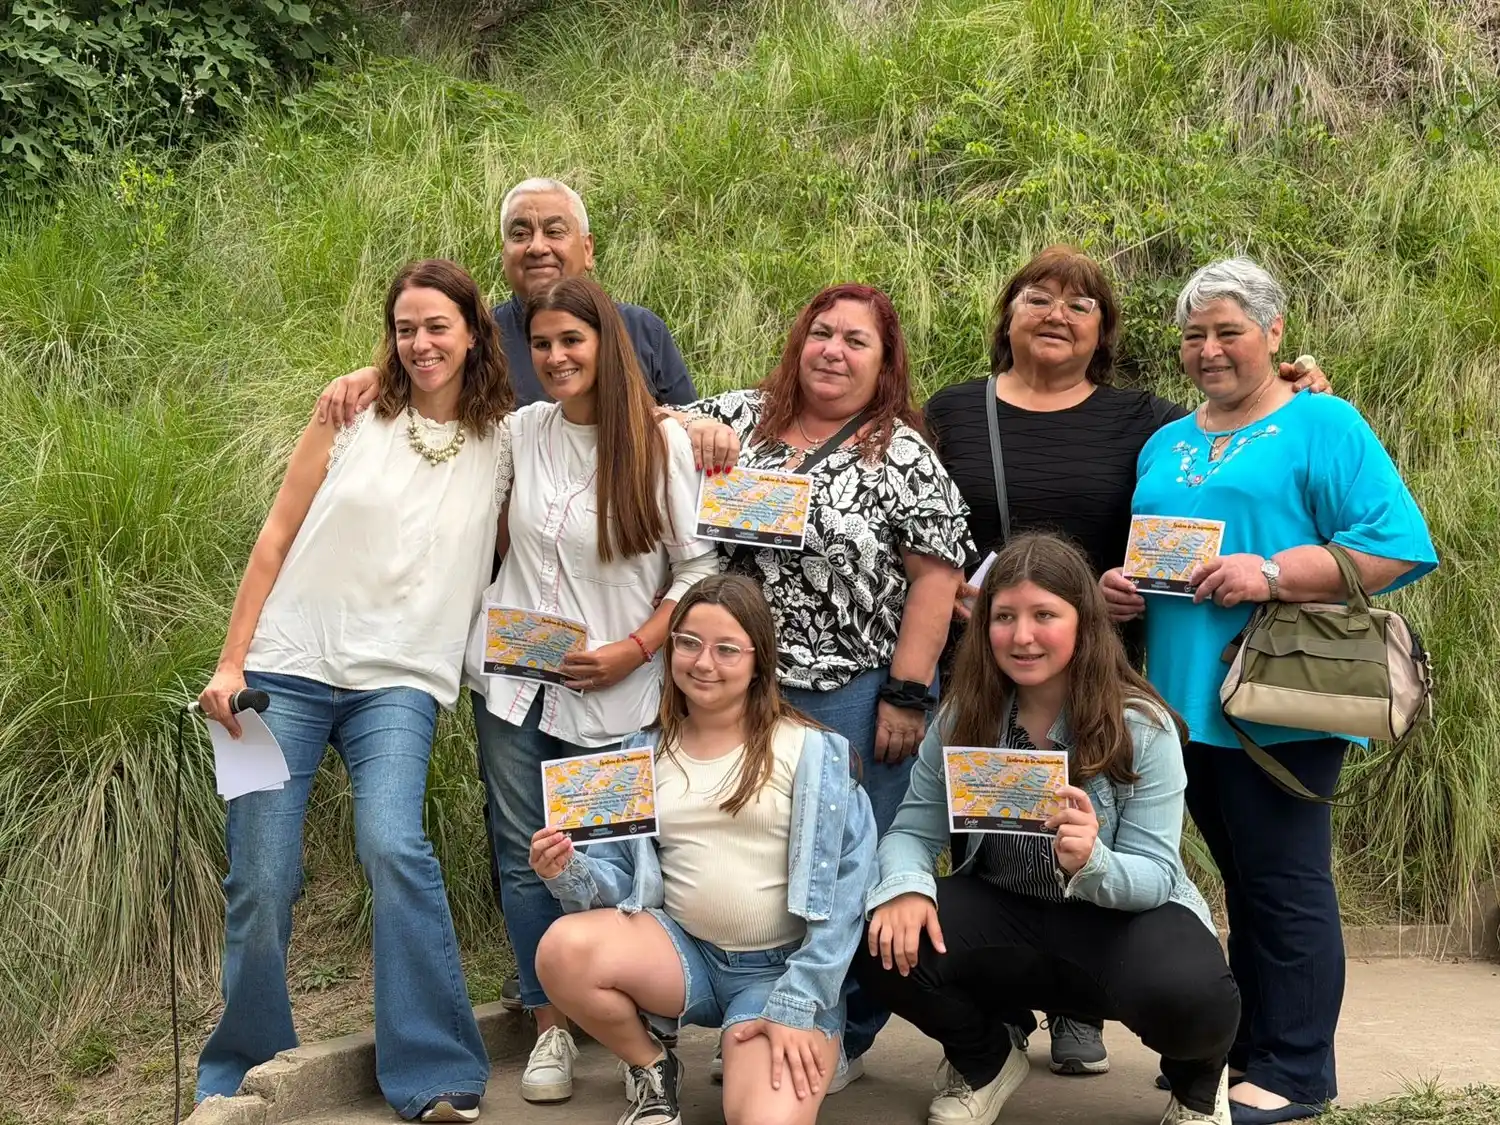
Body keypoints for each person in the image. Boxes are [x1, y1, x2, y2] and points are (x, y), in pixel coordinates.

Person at [919, 245, 1328, 1076]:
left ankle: (1080, 1001)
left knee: (1082, 815)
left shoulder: (1145, 420)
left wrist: (1300, 391)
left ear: (1103, 328)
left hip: (1098, 664)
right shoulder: (955, 410)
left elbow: (1230, 432)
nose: (1056, 315)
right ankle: (998, 1010)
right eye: (1038, 297)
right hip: (983, 659)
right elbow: (919, 519)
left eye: (1080, 304)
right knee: (987, 829)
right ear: (1008, 314)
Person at [1101, 258, 1437, 1124]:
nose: (1208, 350)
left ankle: (1294, 1069)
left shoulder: (1322, 422)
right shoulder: (1167, 440)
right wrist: (1123, 590)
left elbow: (1396, 544)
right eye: (1192, 336)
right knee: (1237, 887)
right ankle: (1247, 1046)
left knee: (1284, 884)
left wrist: (1275, 572)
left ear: (1275, 332)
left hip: (1278, 699)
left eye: (1228, 332)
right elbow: (1162, 550)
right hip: (1178, 703)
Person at [194, 260, 514, 1123]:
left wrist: (690, 423)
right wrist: (232, 664)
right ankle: (245, 1068)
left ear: (474, 331)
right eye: (406, 328)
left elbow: (603, 431)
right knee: (259, 874)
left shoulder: (507, 442)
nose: (421, 343)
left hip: (400, 686)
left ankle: (437, 1070)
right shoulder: (350, 410)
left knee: (392, 843)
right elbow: (275, 535)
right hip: (280, 676)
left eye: (438, 326)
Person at [673, 283, 973, 1078]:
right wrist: (690, 426)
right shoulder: (742, 417)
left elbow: (938, 575)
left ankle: (842, 1031)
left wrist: (908, 693)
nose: (833, 351)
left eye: (856, 341)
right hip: (741, 696)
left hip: (854, 692)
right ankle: (770, 1013)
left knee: (847, 867)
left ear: (885, 363)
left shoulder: (901, 453)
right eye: (821, 334)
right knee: (769, 863)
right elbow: (646, 425)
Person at [854, 532, 1241, 1125]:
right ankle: (985, 1062)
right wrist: (906, 886)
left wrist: (1094, 862)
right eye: (1004, 616)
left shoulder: (1141, 726)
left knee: (1196, 996)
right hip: (1008, 910)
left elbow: (1158, 875)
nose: (1022, 636)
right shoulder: (964, 716)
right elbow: (912, 828)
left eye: (1044, 615)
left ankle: (1196, 1089)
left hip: (1120, 920)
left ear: (1083, 622)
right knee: (877, 939)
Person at [464, 276, 720, 1103]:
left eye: (572, 340)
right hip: (513, 689)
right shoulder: (520, 431)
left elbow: (699, 566)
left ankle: (637, 1031)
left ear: (606, 342)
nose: (556, 356)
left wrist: (635, 649)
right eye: (541, 344)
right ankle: (549, 1029)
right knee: (520, 850)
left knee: (615, 856)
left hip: (618, 694)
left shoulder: (658, 443)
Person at [527, 574, 878, 1125]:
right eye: (687, 643)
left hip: (779, 972)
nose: (703, 662)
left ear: (760, 660)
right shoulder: (642, 751)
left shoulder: (814, 752)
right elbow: (623, 883)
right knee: (562, 949)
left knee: (762, 1119)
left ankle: (770, 1037)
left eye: (726, 649)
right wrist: (569, 869)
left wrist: (798, 1002)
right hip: (684, 955)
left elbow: (849, 892)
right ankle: (652, 1068)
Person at [318, 178, 695, 416]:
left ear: (588, 249)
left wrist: (699, 427)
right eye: (520, 234)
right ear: (504, 254)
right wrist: (375, 378)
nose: (537, 247)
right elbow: (423, 378)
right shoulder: (479, 337)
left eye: (553, 231)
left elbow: (689, 428)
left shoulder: (644, 331)